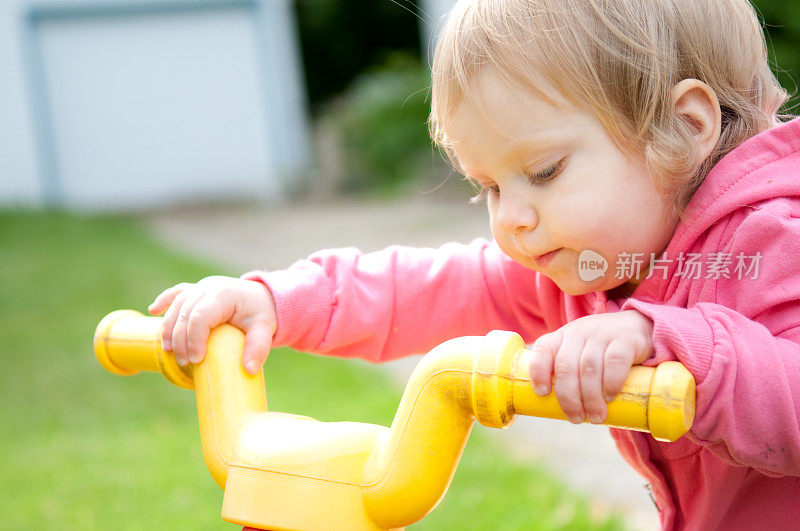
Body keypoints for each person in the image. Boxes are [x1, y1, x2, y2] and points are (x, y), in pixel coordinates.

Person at [148, 0, 800, 528]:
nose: (510, 218)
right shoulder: (584, 267)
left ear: (684, 128)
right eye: (487, 186)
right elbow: (427, 289)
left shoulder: (770, 241)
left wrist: (669, 342)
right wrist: (278, 301)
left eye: (543, 171)